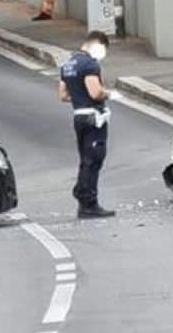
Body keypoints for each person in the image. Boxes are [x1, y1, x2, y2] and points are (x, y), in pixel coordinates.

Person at [58, 30, 116, 219]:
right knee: (94, 159)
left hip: (78, 116)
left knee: (85, 159)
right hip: (93, 117)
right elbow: (95, 92)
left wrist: (78, 95)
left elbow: (63, 95)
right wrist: (109, 94)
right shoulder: (90, 64)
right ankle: (88, 202)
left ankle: (83, 194)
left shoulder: (68, 64)